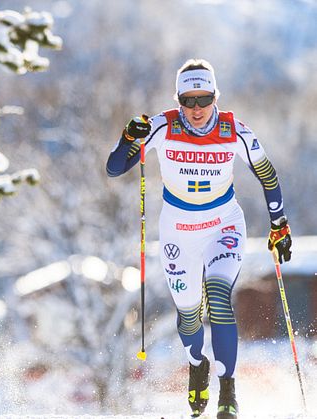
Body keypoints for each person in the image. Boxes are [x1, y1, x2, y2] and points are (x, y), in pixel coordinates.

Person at [106, 59, 292, 419]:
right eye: (187, 100)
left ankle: (228, 392)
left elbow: (267, 173)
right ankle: (197, 363)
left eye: (203, 99)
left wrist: (278, 223)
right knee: (189, 317)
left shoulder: (233, 129)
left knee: (219, 297)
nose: (195, 109)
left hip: (223, 226)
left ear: (214, 96)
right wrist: (129, 137)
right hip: (178, 234)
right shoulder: (161, 125)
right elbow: (115, 168)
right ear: (178, 100)